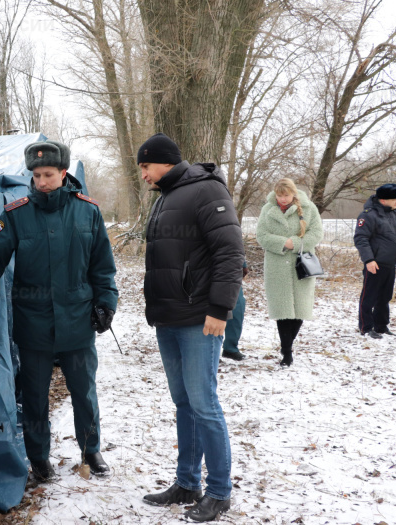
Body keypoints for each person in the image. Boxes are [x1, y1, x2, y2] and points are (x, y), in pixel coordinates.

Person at [0, 141, 119, 482]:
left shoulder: (87, 212)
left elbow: (102, 266)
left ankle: (91, 450)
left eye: (48, 175)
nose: (41, 182)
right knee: (33, 396)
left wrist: (106, 303)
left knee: (84, 391)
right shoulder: (17, 215)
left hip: (77, 320)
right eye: (36, 175)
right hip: (34, 323)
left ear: (64, 174)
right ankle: (39, 458)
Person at [137, 133, 244, 523]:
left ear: (163, 161)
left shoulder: (204, 189)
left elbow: (230, 251)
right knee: (184, 403)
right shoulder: (167, 195)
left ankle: (219, 491)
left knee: (204, 404)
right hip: (168, 317)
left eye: (146, 166)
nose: (144, 175)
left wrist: (220, 307)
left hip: (200, 318)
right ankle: (187, 482)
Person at [255, 178, 323, 366]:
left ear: (293, 193)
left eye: (286, 195)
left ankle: (288, 345)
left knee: (300, 309)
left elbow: (316, 233)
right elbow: (261, 235)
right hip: (277, 266)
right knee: (283, 310)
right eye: (279, 195)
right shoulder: (268, 210)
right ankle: (287, 351)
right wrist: (282, 243)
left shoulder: (309, 209)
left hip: (301, 264)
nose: (282, 199)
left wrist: (297, 243)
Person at [354, 183, 396, 338]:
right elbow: (361, 239)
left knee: (384, 297)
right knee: (369, 297)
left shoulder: (394, 213)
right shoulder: (368, 215)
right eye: (395, 199)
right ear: (383, 200)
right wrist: (369, 260)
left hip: (390, 263)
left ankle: (381, 326)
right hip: (375, 264)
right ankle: (366, 328)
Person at [222, 260, 248, 361]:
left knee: (237, 306)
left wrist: (243, 264)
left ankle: (230, 348)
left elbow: (237, 244)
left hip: (231, 268)